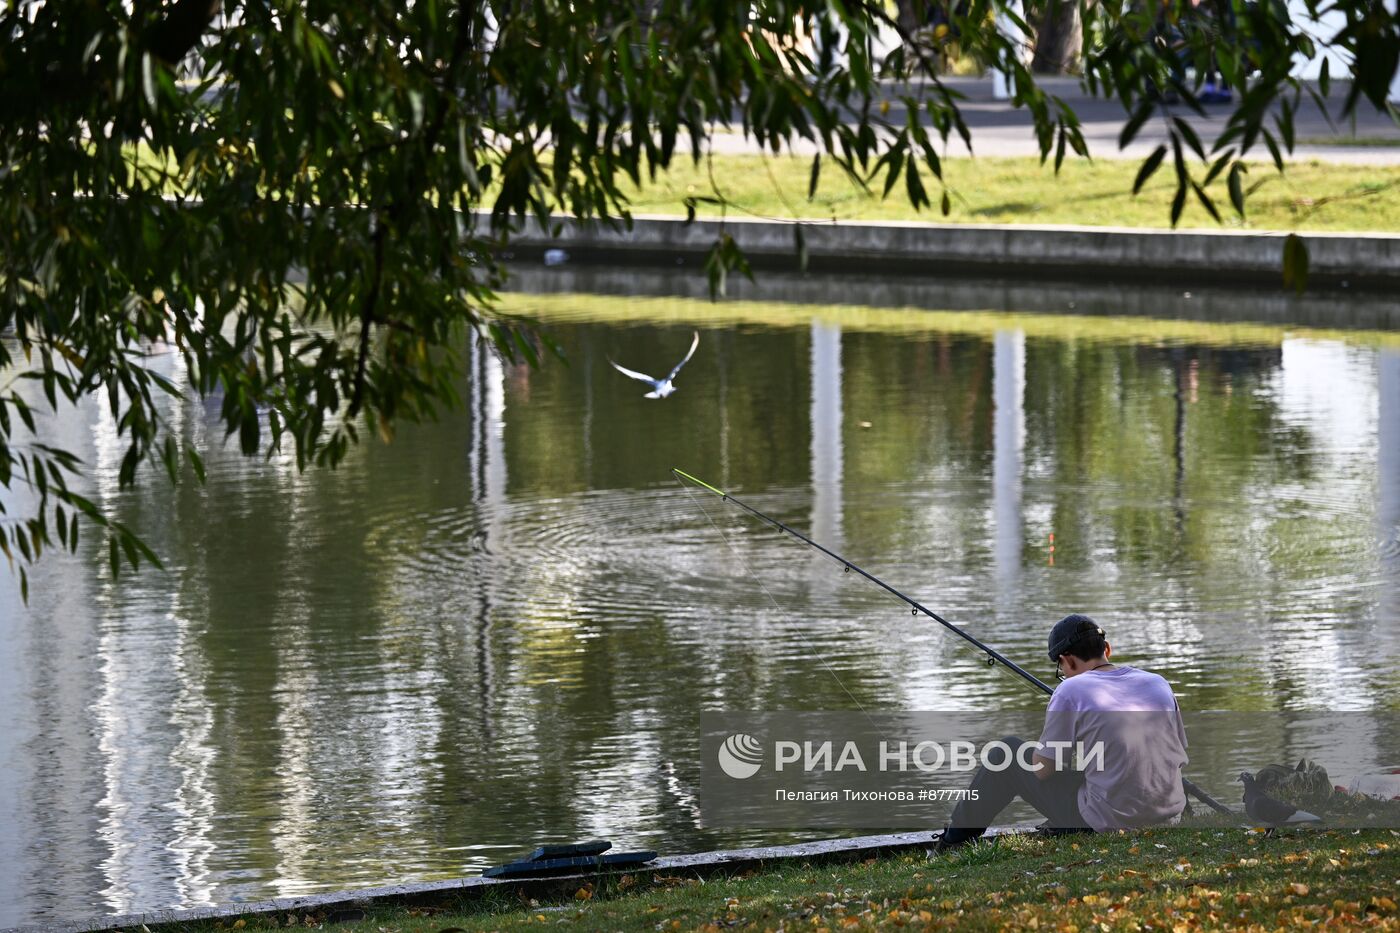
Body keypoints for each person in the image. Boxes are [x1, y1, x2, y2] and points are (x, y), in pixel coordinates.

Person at [936, 614, 1189, 849]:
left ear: (1067, 660)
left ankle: (950, 843)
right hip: (1168, 816)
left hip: (1109, 821)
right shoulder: (1158, 683)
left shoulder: (1070, 690)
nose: (1064, 674)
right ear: (1107, 649)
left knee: (1006, 752)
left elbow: (1043, 771)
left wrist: (1038, 751)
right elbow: (1174, 749)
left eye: (1062, 667)